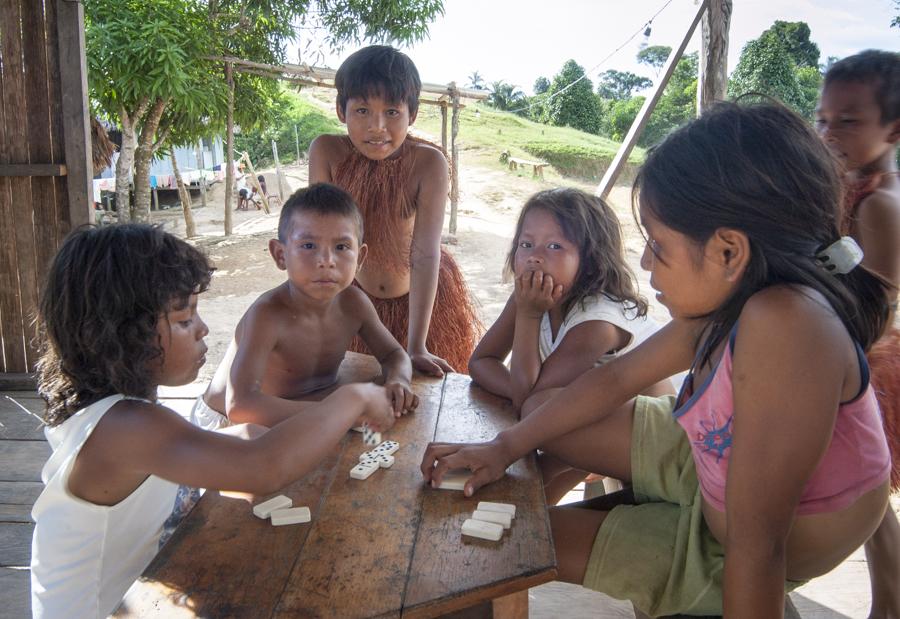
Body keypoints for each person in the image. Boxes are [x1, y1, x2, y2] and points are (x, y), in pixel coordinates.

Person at [421, 102, 893, 616]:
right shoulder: (734, 299)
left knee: (508, 543)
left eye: (658, 246)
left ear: (728, 252)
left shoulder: (788, 326)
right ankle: (655, 503)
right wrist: (503, 447)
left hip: (742, 539)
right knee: (539, 423)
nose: (645, 263)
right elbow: (618, 378)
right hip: (711, 461)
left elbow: (759, 547)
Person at [30, 224, 394, 619]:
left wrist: (239, 435)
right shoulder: (125, 427)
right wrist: (354, 398)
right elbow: (263, 468)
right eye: (185, 320)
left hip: (141, 588)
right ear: (122, 335)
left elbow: (165, 463)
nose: (203, 329)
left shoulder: (115, 409)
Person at [468, 187, 673, 503]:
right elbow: (481, 361)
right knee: (522, 486)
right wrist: (523, 390)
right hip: (589, 420)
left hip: (655, 443)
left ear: (590, 261)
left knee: (528, 468)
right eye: (526, 244)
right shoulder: (529, 297)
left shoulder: (597, 322)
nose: (535, 256)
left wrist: (528, 316)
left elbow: (531, 405)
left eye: (554, 246)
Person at [308, 45, 481, 376]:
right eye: (362, 111)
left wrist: (418, 345)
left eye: (391, 112)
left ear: (412, 114)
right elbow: (318, 241)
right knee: (362, 411)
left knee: (420, 409)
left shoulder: (428, 164)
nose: (377, 127)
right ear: (341, 111)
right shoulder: (327, 153)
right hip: (353, 304)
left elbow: (425, 253)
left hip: (422, 308)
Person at [198, 183, 417, 429]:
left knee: (377, 449)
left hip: (307, 409)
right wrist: (342, 411)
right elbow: (240, 406)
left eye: (341, 247)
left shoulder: (354, 304)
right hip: (227, 423)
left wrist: (399, 380)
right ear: (281, 255)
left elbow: (394, 355)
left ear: (360, 258)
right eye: (309, 246)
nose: (326, 261)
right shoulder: (268, 315)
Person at [817, 49, 900, 619]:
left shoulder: (880, 206)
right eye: (823, 118)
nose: (830, 131)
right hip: (844, 354)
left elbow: (881, 308)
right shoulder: (845, 186)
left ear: (894, 128)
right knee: (866, 497)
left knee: (865, 497)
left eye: (849, 120)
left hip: (865, 363)